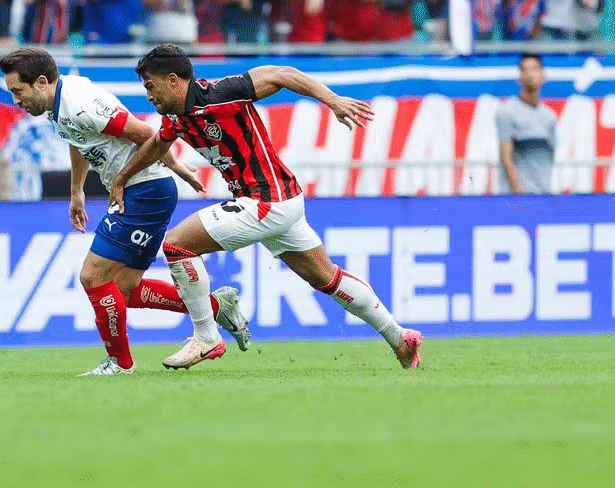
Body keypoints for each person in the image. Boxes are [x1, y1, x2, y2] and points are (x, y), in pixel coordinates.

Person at [109, 44, 423, 370]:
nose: (148, 96)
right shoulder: (177, 117)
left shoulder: (221, 94)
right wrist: (122, 178)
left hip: (266, 201)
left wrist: (333, 100)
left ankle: (206, 337)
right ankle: (400, 338)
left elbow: (282, 74)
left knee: (176, 245)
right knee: (327, 278)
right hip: (282, 202)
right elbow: (158, 143)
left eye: (150, 86)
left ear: (173, 80)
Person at [0, 47, 250, 375]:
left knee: (93, 275)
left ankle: (119, 364)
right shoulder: (59, 106)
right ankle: (217, 307)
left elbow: (148, 134)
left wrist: (163, 169)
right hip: (141, 190)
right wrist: (77, 191)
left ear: (41, 82)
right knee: (124, 290)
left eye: (18, 91)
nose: (17, 101)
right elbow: (78, 140)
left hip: (144, 190)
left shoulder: (81, 104)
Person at [495, 54, 556, 195]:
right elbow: (506, 157)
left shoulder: (549, 116)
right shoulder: (507, 112)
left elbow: (551, 155)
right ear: (519, 78)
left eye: (534, 69)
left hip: (544, 195)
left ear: (543, 76)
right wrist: (519, 193)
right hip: (517, 197)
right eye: (525, 70)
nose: (529, 74)